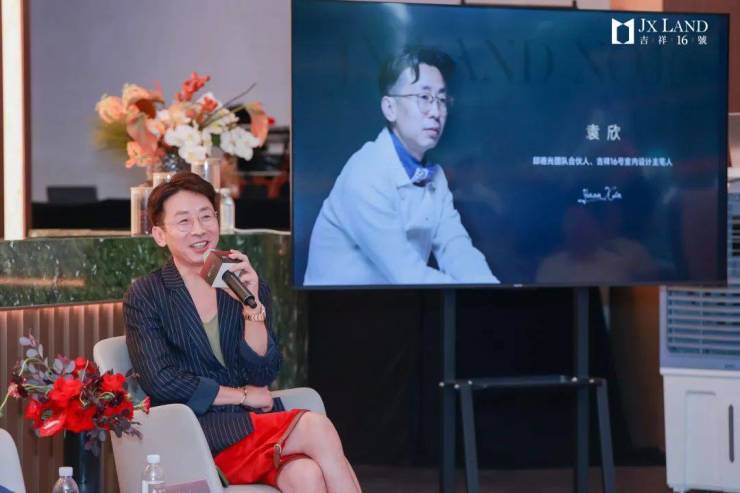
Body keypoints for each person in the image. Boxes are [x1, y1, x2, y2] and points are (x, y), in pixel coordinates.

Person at [123, 172, 361, 492]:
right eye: (184, 221)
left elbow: (263, 372)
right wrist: (243, 395)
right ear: (159, 235)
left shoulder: (240, 281)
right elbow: (161, 381)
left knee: (307, 476)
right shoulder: (147, 294)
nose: (199, 229)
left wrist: (252, 306)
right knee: (315, 428)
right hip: (198, 430)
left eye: (206, 216)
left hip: (254, 425)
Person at [304, 46, 498, 286]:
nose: (436, 112)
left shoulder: (435, 176)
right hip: (340, 307)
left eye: (441, 99)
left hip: (398, 303)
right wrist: (480, 297)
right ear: (390, 108)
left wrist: (491, 289)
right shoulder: (366, 173)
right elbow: (406, 274)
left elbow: (456, 247)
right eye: (424, 98)